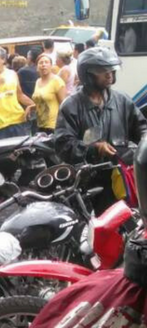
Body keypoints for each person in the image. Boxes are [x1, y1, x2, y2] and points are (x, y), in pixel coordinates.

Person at [55, 47, 147, 215]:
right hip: (89, 183)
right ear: (87, 74)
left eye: (110, 69)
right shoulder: (71, 106)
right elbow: (63, 144)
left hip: (121, 179)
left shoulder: (122, 100)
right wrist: (94, 147)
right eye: (101, 70)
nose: (109, 74)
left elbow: (141, 127)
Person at [0, 46, 34, 140]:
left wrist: (33, 105)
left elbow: (19, 95)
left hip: (17, 120)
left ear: (3, 59)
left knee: (20, 152)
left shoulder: (12, 74)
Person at [25, 54, 66, 134]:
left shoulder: (57, 81)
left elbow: (64, 106)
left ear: (51, 66)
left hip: (54, 127)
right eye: (41, 63)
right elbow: (42, 102)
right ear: (37, 67)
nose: (43, 65)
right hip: (40, 126)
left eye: (46, 62)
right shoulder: (38, 81)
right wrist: (31, 107)